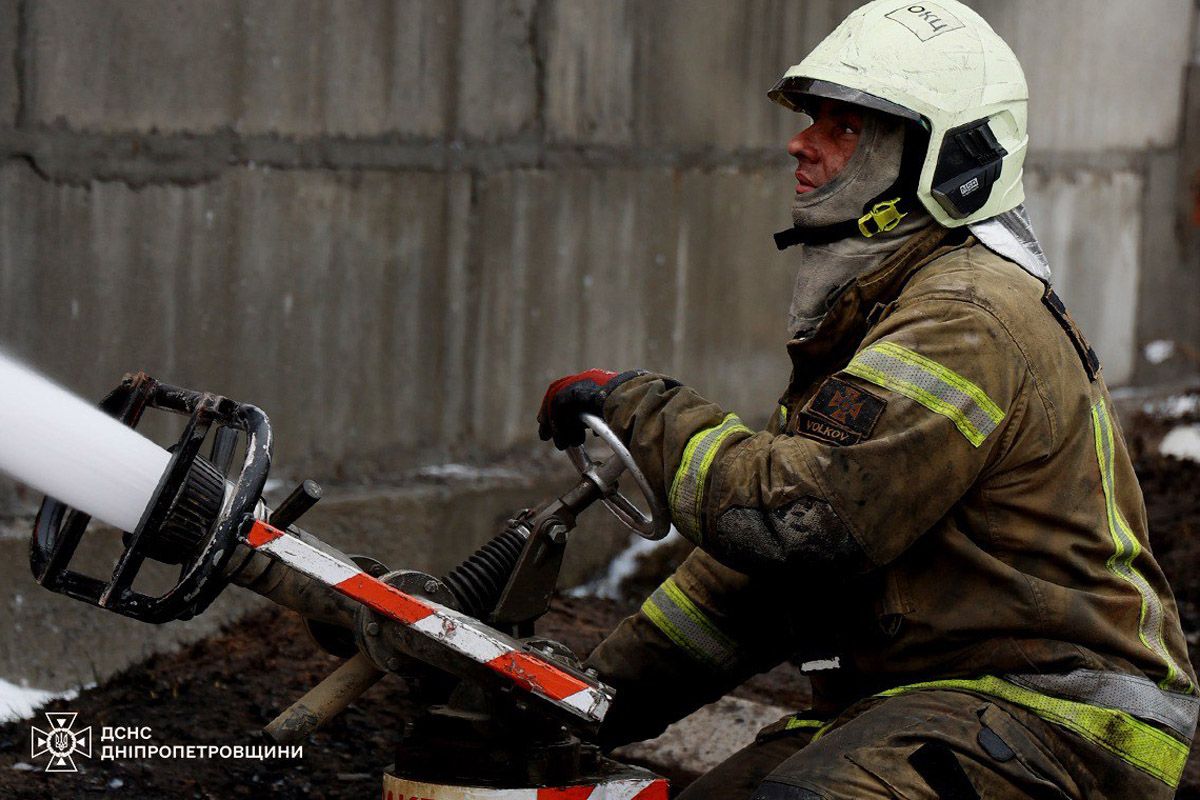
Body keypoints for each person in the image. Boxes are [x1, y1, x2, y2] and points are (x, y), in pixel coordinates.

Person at [536, 1, 1198, 798]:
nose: (801, 142)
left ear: (950, 160)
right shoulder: (883, 309)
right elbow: (749, 586)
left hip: (1059, 717)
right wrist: (576, 703)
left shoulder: (967, 317)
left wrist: (643, 412)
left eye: (845, 127)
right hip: (918, 704)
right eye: (816, 118)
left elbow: (801, 519)